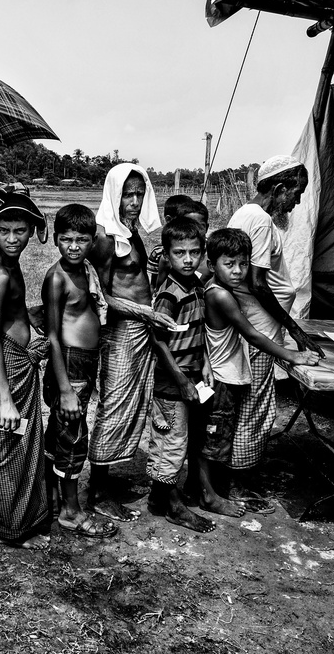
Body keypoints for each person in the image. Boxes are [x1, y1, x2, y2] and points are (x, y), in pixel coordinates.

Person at [226, 155, 323, 510]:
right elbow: (257, 283)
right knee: (253, 406)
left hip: (254, 327)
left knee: (247, 406)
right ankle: (240, 484)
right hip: (260, 329)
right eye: (295, 194)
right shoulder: (262, 221)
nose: (296, 202)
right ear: (279, 189)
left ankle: (239, 474)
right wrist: (294, 329)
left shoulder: (246, 215)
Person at [203, 229, 319, 511]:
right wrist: (293, 355)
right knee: (219, 435)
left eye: (243, 264)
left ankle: (222, 487)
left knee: (221, 433)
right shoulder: (221, 296)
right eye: (229, 264)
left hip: (225, 372)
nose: (238, 271)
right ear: (212, 265)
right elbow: (253, 335)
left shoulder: (214, 287)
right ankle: (227, 490)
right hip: (224, 377)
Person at [87, 163, 175, 522]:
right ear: (114, 193)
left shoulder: (130, 233)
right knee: (115, 406)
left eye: (140, 193)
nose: (134, 201)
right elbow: (103, 296)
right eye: (128, 194)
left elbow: (131, 277)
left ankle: (108, 479)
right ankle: (97, 490)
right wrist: (147, 313)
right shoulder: (106, 237)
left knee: (132, 405)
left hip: (138, 330)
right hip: (122, 332)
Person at [148, 217, 234, 533]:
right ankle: (174, 506)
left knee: (193, 432)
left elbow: (199, 333)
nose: (187, 259)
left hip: (195, 373)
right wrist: (182, 380)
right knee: (171, 441)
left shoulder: (196, 284)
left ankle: (161, 498)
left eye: (194, 252)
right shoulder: (169, 293)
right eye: (179, 253)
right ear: (166, 255)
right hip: (173, 381)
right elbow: (158, 339)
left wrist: (207, 363)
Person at [0, 185, 51, 550]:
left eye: (20, 231)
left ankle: (20, 519)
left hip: (19, 364)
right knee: (8, 442)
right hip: (6, 370)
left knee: (20, 442)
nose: (12, 238)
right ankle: (6, 528)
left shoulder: (11, 266)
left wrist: (31, 316)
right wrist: (5, 399)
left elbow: (10, 315)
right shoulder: (1, 274)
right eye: (4, 230)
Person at [42, 204, 117, 539]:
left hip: (82, 363)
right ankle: (72, 511)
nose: (73, 246)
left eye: (82, 240)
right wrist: (66, 390)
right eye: (66, 239)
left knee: (60, 433)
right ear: (55, 239)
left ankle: (52, 498)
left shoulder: (85, 270)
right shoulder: (57, 278)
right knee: (73, 437)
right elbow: (53, 337)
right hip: (68, 366)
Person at [148, 198, 211, 293]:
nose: (194, 230)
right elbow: (159, 287)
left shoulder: (214, 254)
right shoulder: (167, 258)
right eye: (188, 225)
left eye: (200, 226)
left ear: (207, 227)